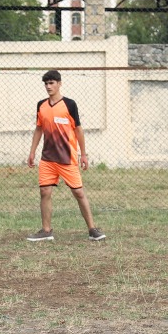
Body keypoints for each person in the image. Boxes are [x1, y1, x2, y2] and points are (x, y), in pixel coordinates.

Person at [25, 70, 105, 242]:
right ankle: (46, 231)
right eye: (46, 84)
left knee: (78, 193)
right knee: (45, 191)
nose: (48, 86)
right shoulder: (41, 105)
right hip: (47, 158)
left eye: (51, 83)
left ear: (59, 84)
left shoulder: (70, 104)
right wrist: (32, 152)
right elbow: (39, 129)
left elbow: (78, 130)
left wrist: (83, 154)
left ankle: (92, 229)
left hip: (67, 158)